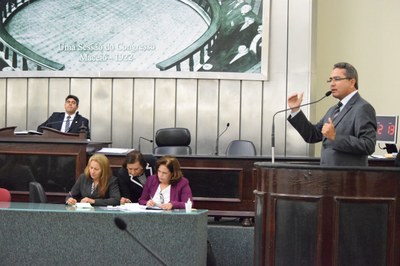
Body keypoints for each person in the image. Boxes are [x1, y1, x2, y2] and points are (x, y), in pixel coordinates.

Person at [287, 62, 377, 166]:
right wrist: (296, 110)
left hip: (348, 178)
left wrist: (335, 137)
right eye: (331, 79)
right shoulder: (333, 110)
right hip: (328, 176)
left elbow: (368, 145)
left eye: (337, 79)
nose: (332, 84)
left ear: (352, 82)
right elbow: (312, 135)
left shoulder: (363, 108)